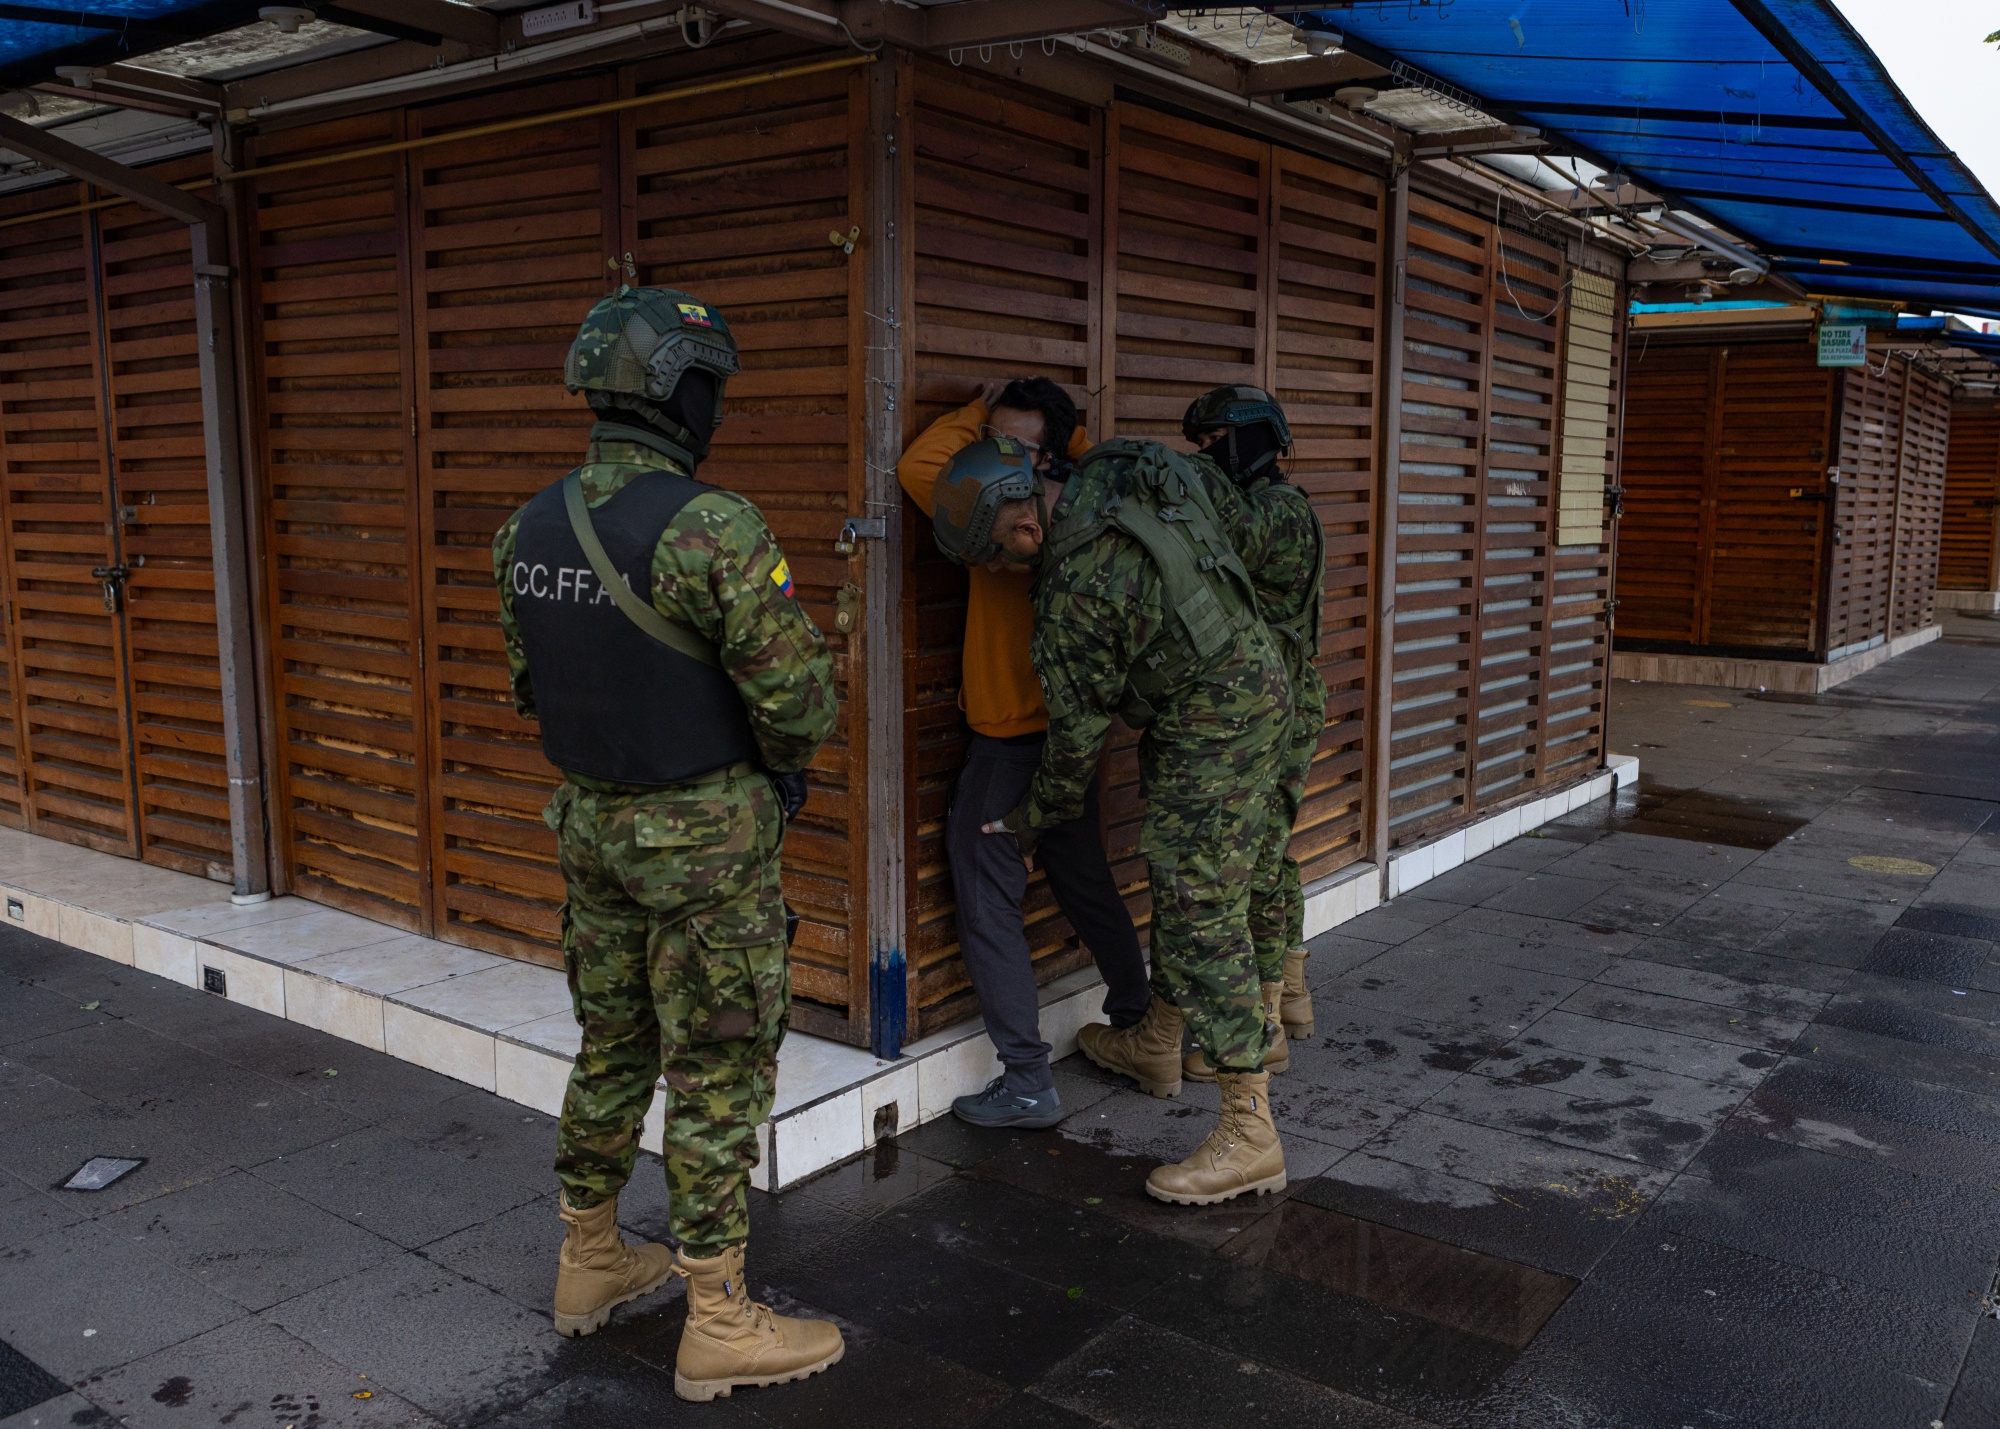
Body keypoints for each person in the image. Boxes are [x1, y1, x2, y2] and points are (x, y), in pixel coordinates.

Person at [492, 286, 844, 1401]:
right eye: (711, 384)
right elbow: (797, 708)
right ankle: (718, 1317)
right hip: (704, 845)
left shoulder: (525, 526)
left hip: (590, 830)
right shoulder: (711, 525)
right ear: (676, 391)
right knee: (717, 1067)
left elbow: (525, 686)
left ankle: (589, 1261)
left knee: (612, 1044)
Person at [933, 434, 1294, 1206]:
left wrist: (1024, 820)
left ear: (1025, 531)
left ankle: (1249, 1127)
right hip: (1259, 677)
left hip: (1212, 723)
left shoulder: (1072, 595)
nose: (997, 575)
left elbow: (1072, 750)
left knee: (1202, 910)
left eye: (993, 559)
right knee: (1193, 879)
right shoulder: (1121, 467)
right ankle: (1159, 1037)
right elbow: (1233, 523)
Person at [897, 378, 1149, 1130]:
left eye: (1012, 449)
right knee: (1084, 877)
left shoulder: (1016, 519)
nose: (993, 459)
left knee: (987, 898)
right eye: (989, 446)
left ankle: (1027, 1078)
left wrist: (1001, 425)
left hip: (1010, 744)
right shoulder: (1061, 510)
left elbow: (916, 466)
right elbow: (935, 469)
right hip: (1074, 739)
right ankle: (1143, 1023)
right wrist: (1040, 445)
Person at [1178, 386, 1326, 1084]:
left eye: (1211, 445)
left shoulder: (1279, 512)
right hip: (1276, 703)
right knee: (1271, 855)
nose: (1202, 457)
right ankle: (1288, 997)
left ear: (1247, 439)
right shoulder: (1271, 507)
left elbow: (1223, 532)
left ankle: (1263, 1026)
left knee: (1258, 865)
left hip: (1279, 706)